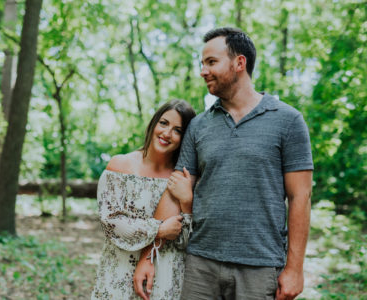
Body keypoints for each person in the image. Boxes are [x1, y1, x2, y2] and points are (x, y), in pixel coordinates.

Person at [134, 27, 313, 300]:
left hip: (261, 267)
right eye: (202, 63)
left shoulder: (287, 120)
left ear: (239, 63)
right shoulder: (198, 126)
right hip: (199, 265)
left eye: (211, 62)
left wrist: (295, 269)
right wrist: (149, 254)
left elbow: (300, 196)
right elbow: (175, 189)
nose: (203, 71)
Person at [90, 99, 196, 300]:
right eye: (163, 123)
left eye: (178, 130)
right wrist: (159, 229)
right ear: (153, 123)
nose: (166, 133)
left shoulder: (183, 178)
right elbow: (111, 222)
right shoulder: (120, 166)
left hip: (167, 276)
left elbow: (186, 239)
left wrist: (187, 204)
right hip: (120, 273)